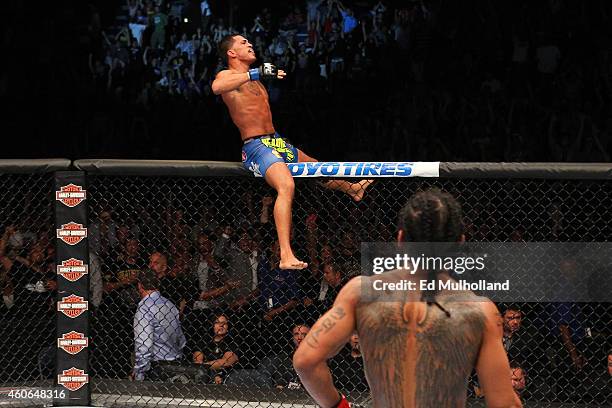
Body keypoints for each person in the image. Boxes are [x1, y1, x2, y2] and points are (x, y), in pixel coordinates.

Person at [293, 188, 522, 408]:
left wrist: (339, 406)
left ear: (401, 239)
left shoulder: (362, 293)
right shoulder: (479, 311)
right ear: (459, 245)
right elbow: (504, 403)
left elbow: (305, 361)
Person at [212, 34, 372, 270]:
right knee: (286, 186)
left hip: (275, 141)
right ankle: (286, 254)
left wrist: (260, 76)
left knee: (315, 167)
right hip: (255, 146)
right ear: (231, 53)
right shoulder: (228, 76)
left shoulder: (256, 82)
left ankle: (351, 188)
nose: (250, 44)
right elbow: (216, 88)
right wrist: (255, 73)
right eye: (243, 43)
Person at [132, 268, 186, 381]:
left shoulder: (144, 308)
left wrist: (139, 373)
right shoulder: (170, 305)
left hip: (157, 369)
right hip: (175, 364)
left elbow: (144, 345)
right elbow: (181, 340)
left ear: (139, 285)